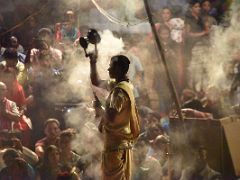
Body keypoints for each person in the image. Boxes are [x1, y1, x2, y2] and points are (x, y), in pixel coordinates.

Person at [89, 53, 140, 179]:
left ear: (118, 69)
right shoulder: (125, 85)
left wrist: (98, 108)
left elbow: (111, 116)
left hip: (115, 149)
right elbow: (96, 81)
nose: (108, 69)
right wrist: (93, 63)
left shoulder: (119, 91)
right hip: (122, 146)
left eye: (111, 66)